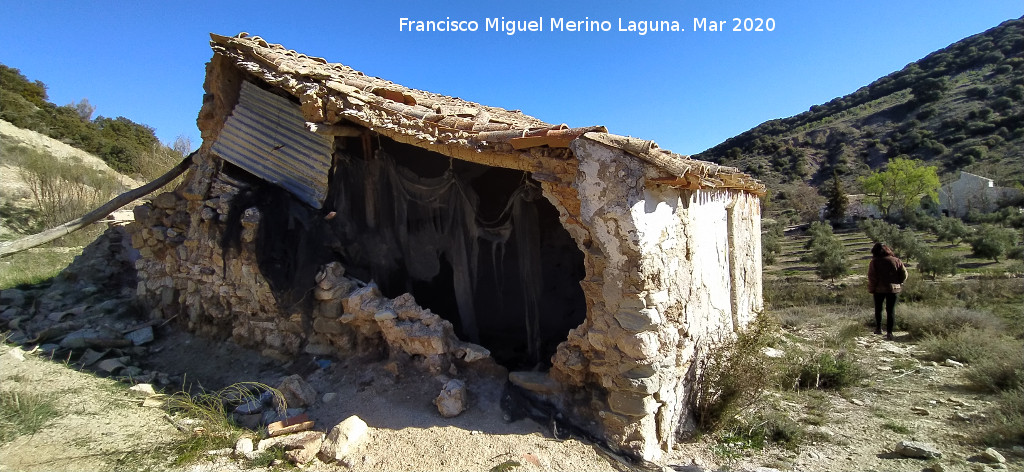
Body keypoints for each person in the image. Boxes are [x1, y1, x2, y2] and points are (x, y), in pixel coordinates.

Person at [867, 243, 908, 340]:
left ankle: (878, 328)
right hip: (893, 289)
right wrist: (899, 282)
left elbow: (872, 277)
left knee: (878, 309)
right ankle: (890, 332)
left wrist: (872, 288)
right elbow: (904, 274)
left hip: (878, 289)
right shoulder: (896, 260)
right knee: (890, 310)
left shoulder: (874, 262)